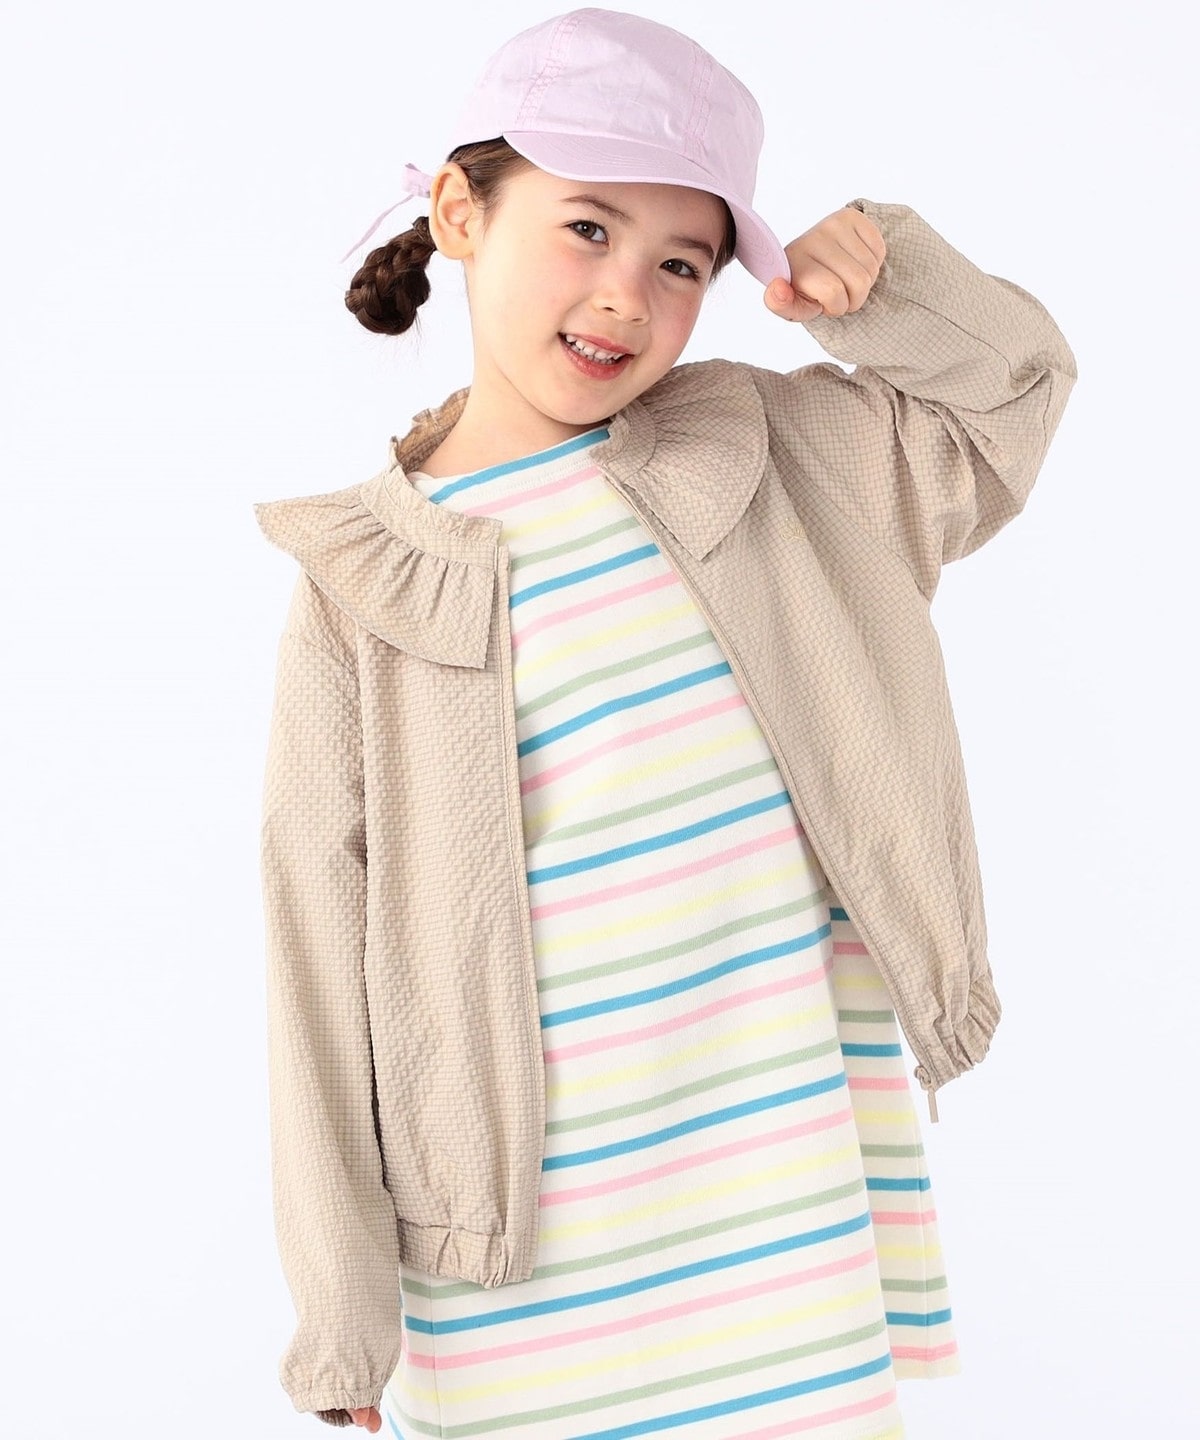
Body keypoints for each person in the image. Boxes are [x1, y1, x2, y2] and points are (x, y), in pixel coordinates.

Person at [252, 7, 1076, 1435]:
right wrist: (341, 1322)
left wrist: (887, 283)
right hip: (511, 1262)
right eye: (587, 228)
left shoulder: (772, 458)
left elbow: (1011, 399)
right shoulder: (366, 588)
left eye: (682, 262)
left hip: (783, 1216)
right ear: (460, 213)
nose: (626, 296)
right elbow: (317, 960)